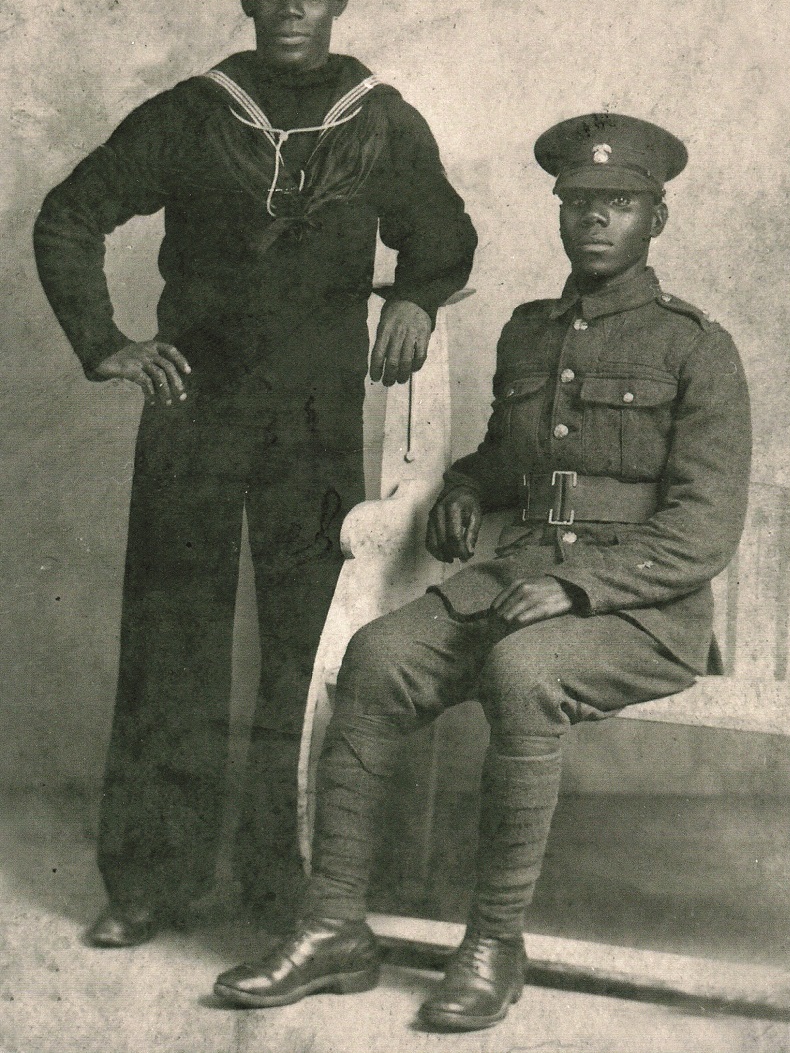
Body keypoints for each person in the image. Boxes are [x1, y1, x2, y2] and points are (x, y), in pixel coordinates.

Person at [213, 114, 752, 1031]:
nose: (594, 219)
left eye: (619, 204)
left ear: (655, 219)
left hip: (644, 613)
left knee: (523, 669)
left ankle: (494, 944)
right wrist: (465, 487)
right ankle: (333, 925)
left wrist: (579, 589)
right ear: (560, 213)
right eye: (578, 203)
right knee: (379, 655)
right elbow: (510, 458)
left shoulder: (695, 347)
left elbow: (704, 527)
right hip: (518, 581)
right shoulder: (530, 332)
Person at [32, 0, 477, 948]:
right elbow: (69, 215)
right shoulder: (194, 114)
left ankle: (285, 884)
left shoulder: (379, 118)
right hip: (194, 408)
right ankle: (152, 878)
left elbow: (445, 234)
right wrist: (106, 345)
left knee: (304, 648)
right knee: (171, 637)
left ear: (339, 1)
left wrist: (415, 297)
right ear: (245, 1)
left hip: (315, 422)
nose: (291, 9)